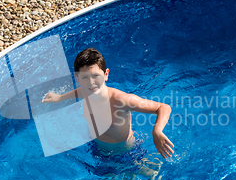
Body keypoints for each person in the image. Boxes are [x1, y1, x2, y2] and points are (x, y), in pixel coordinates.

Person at [42, 48, 174, 159]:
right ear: (78, 79)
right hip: (97, 148)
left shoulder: (120, 100)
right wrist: (59, 98)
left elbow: (163, 107)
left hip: (125, 153)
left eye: (95, 76)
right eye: (85, 78)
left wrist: (157, 130)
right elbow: (78, 92)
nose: (91, 82)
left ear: (106, 74)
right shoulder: (86, 91)